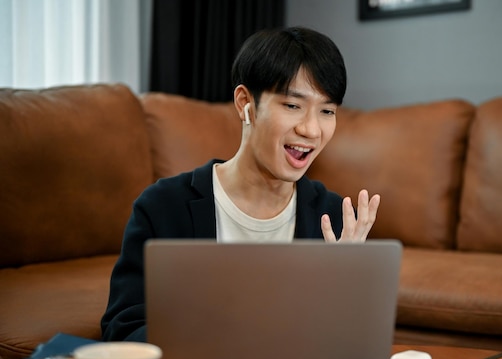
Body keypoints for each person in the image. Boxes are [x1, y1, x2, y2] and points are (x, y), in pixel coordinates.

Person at [101, 26, 381, 342]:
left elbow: (353, 347)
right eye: (292, 105)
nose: (312, 129)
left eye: (327, 111)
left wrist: (345, 293)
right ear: (244, 103)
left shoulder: (334, 220)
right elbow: (122, 331)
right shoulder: (163, 207)